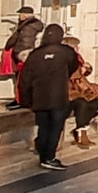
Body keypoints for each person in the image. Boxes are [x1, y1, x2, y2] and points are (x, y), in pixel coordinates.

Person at [16, 22, 80, 169]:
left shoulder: (35, 54)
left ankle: (43, 154)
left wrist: (26, 99)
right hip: (58, 95)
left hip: (39, 95)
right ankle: (49, 157)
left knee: (43, 126)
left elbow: (25, 78)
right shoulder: (66, 52)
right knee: (55, 127)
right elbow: (73, 65)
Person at [63, 34, 98, 149]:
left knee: (96, 102)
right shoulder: (64, 58)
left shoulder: (78, 58)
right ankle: (81, 133)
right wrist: (79, 71)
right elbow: (67, 75)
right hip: (69, 90)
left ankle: (81, 128)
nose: (78, 49)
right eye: (76, 47)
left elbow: (83, 75)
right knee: (82, 103)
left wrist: (87, 68)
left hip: (80, 88)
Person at [3, 6, 44, 108]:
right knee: (23, 79)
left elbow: (23, 41)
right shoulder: (33, 25)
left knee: (22, 79)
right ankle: (20, 99)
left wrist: (17, 51)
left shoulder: (27, 27)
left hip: (24, 55)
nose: (19, 16)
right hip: (29, 55)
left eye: (21, 14)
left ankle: (21, 100)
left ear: (25, 15)